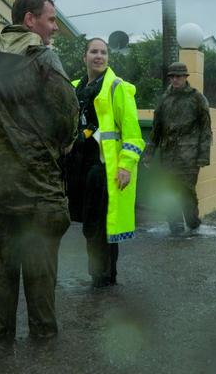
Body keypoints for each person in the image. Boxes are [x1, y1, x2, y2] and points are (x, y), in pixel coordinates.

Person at [0, 0, 78, 339]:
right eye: (51, 20)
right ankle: (43, 350)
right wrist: (46, 146)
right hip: (41, 193)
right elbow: (68, 120)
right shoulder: (45, 61)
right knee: (41, 276)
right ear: (30, 20)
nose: (54, 28)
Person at [65, 38, 145, 288]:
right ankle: (105, 275)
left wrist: (126, 166)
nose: (99, 56)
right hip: (79, 166)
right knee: (91, 223)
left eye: (103, 52)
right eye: (93, 52)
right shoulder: (75, 87)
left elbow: (133, 134)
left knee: (98, 224)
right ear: (85, 57)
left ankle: (102, 276)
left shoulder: (117, 88)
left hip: (104, 168)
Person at [143, 61, 212, 235]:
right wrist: (149, 154)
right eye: (172, 76)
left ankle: (193, 222)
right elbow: (156, 129)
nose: (175, 79)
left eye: (179, 76)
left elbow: (205, 129)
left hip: (189, 156)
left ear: (185, 77)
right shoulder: (164, 100)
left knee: (187, 191)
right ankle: (175, 226)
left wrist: (203, 156)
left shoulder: (197, 98)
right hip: (168, 155)